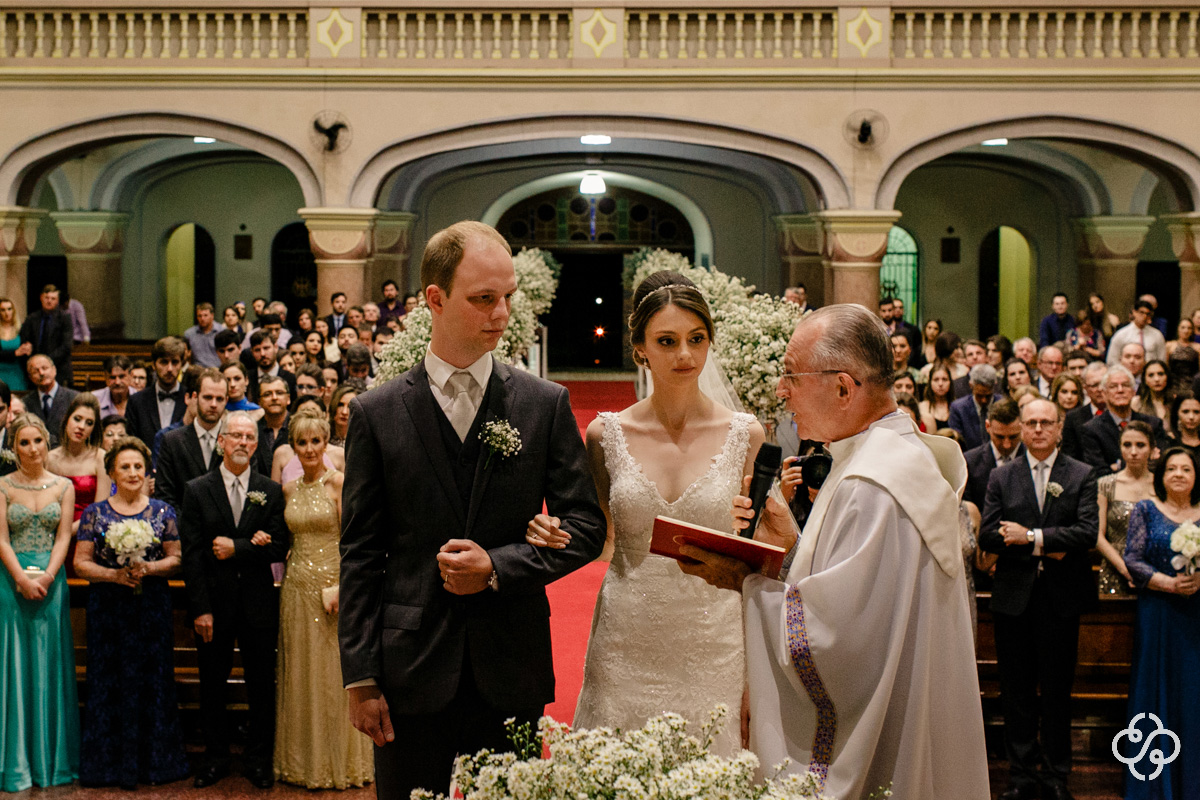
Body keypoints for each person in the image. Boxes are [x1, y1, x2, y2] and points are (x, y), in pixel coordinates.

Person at [337, 220, 606, 800]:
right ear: (435, 299)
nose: (502, 313)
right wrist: (360, 678)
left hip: (510, 662)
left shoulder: (543, 403)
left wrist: (501, 566)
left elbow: (585, 527)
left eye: (508, 296)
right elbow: (360, 552)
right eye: (484, 299)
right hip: (409, 666)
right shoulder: (377, 414)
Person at [681, 304, 988, 798]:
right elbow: (861, 593)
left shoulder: (874, 484)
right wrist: (790, 546)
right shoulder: (888, 457)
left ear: (844, 387)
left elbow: (839, 642)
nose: (781, 391)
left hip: (883, 726)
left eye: (790, 377)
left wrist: (745, 580)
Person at [527, 271, 765, 753]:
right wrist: (553, 533)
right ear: (640, 349)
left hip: (714, 636)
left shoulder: (746, 435)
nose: (685, 355)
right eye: (667, 341)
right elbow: (601, 540)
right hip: (627, 634)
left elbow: (759, 549)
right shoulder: (605, 435)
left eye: (697, 339)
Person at [979, 398, 1099, 800]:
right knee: (1016, 691)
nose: (1037, 429)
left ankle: (1056, 775)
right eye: (1031, 422)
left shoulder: (1081, 473)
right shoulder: (1002, 475)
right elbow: (990, 535)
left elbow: (1085, 533)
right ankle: (1021, 775)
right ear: (1022, 428)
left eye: (1046, 422)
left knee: (1057, 690)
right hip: (1014, 598)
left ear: (1060, 426)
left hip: (1060, 598)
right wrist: (1050, 544)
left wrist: (1032, 538)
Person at [73, 437, 189, 789]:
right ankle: (109, 765)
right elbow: (80, 563)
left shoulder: (163, 511)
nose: (133, 472)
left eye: (139, 466)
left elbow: (176, 559)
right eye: (125, 466)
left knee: (152, 680)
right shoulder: (96, 513)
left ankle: (154, 764)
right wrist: (114, 575)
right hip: (109, 609)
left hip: (150, 608)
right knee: (109, 681)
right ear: (111, 472)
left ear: (147, 471)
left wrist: (149, 569)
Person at [180, 411, 288, 789]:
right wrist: (200, 609)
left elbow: (278, 546)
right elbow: (192, 555)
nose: (242, 442)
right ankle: (215, 758)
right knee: (213, 683)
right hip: (215, 605)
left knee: (262, 685)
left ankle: (259, 760)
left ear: (257, 445)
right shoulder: (197, 490)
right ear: (221, 442)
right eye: (235, 436)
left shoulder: (270, 491)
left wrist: (237, 547)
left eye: (249, 437)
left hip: (259, 605)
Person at [274, 410, 374, 788]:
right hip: (296, 588)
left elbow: (353, 542)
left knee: (333, 678)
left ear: (327, 442)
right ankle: (301, 763)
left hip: (332, 589)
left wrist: (343, 588)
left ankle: (341, 764)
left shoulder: (339, 483)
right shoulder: (289, 489)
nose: (310, 449)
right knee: (300, 674)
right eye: (302, 442)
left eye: (317, 441)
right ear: (294, 447)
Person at [0, 413, 79, 791]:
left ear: (48, 444)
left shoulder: (64, 486)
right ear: (13, 448)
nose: (33, 449)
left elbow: (64, 536)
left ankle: (51, 761)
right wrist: (19, 578)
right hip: (9, 583)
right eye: (24, 443)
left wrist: (46, 576)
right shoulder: (1, 486)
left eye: (38, 441)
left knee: (49, 665)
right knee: (12, 665)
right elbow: (0, 539)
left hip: (51, 583)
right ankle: (13, 763)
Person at [1119, 446, 1200, 798]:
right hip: (1158, 612)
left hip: (1196, 615)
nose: (1179, 474)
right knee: (1154, 689)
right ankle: (1151, 785)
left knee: (1193, 694)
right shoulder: (1146, 510)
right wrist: (1166, 583)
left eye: (1186, 468)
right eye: (1172, 468)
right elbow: (1132, 559)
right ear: (1161, 475)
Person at [46, 393, 108, 576]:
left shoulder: (100, 458)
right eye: (77, 419)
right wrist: (59, 533)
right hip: (53, 534)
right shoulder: (49, 459)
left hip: (87, 536)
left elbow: (100, 509)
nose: (81, 427)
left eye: (89, 423)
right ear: (67, 419)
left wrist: (67, 532)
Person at [1095, 421, 1155, 598]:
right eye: (1127, 445)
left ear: (1152, 449)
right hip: (1115, 567)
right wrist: (1126, 569)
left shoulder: (1162, 485)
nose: (1134, 452)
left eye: (1141, 445)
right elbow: (1097, 535)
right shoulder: (1105, 484)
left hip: (1155, 567)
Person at [154, 368, 228, 511]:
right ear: (195, 397)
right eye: (207, 397)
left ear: (226, 400)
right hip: (183, 527)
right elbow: (165, 496)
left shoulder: (235, 439)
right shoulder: (172, 441)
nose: (213, 404)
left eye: (219, 399)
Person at [1081, 365, 1165, 475]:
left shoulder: (1153, 424)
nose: (1120, 390)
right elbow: (1099, 472)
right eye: (1113, 386)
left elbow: (1161, 464)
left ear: (1134, 392)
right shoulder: (1091, 430)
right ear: (1104, 393)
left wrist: (1118, 466)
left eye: (1125, 385)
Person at [963, 397, 1024, 510]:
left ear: (1022, 427)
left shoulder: (1034, 459)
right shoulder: (969, 463)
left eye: (1013, 437)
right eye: (999, 437)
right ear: (987, 426)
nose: (1007, 444)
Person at [125, 337, 186, 447]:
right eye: (164, 362)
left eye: (175, 362)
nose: (169, 369)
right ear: (153, 365)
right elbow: (131, 442)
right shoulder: (136, 402)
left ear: (181, 364)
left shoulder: (191, 399)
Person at [18, 284, 73, 386]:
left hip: (59, 370)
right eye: (46, 298)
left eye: (53, 298)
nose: (49, 301)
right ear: (41, 298)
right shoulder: (32, 318)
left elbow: (66, 346)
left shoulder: (65, 318)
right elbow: (25, 340)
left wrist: (45, 363)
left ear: (57, 300)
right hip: (35, 371)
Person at [24, 354, 80, 447]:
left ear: (54, 370)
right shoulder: (26, 402)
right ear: (30, 377)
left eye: (45, 368)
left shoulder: (75, 398)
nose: (41, 373)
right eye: (35, 371)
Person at [949, 363, 1000, 451]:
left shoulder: (1002, 406)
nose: (984, 400)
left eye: (988, 396)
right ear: (971, 385)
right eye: (979, 395)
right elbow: (956, 444)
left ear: (994, 386)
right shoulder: (958, 409)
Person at [1107, 299, 1166, 365]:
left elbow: (1162, 360)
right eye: (1141, 312)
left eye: (1147, 314)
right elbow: (1112, 360)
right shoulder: (1121, 334)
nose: (1144, 316)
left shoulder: (1157, 335)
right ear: (1134, 312)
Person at [184, 302, 226, 368]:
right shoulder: (189, 334)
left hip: (218, 369)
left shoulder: (222, 331)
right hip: (197, 370)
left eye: (205, 315)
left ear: (212, 315)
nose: (202, 319)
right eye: (199, 316)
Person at [1132, 358, 1170, 430]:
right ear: (1145, 380)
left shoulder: (1175, 401)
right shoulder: (1137, 403)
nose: (1156, 379)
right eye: (1151, 375)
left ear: (1167, 377)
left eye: (1160, 374)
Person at [0, 297, 27, 391]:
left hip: (17, 371)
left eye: (9, 309)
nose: (7, 313)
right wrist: (14, 353)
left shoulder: (22, 329)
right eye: (2, 310)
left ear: (13, 310)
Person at [919, 363, 954, 431]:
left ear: (950, 382)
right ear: (930, 383)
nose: (940, 384)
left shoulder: (957, 407)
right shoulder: (921, 407)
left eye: (944, 379)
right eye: (936, 380)